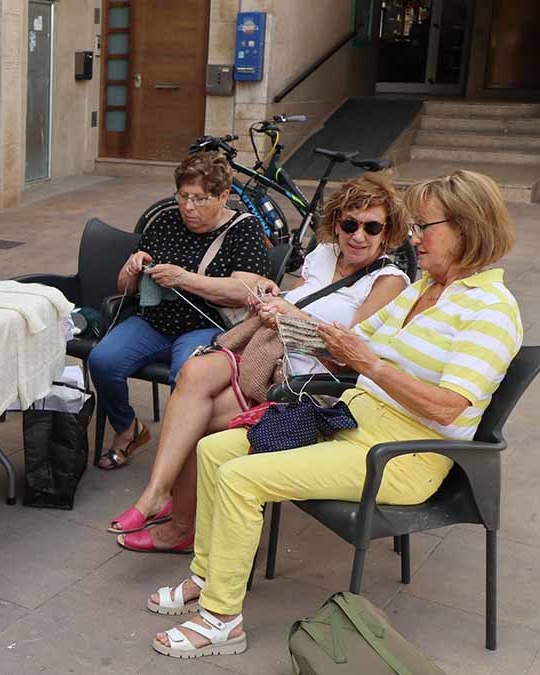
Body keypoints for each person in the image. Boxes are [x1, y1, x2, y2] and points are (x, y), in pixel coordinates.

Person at [147, 170, 521, 659]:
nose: (412, 238)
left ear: (467, 228)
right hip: (354, 420)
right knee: (215, 448)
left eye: (422, 227)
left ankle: (222, 619)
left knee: (241, 478)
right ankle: (207, 575)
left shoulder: (490, 310)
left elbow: (447, 406)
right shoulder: (423, 288)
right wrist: (299, 326)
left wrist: (367, 363)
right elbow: (355, 350)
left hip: (403, 456)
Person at [112, 173, 411, 552]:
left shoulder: (388, 282)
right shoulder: (323, 255)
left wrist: (290, 314)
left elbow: (346, 354)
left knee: (197, 420)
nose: (358, 236)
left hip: (309, 384)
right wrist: (275, 295)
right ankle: (157, 496)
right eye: (350, 224)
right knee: (193, 370)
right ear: (337, 223)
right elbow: (305, 299)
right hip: (269, 351)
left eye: (372, 227)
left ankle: (179, 524)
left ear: (387, 233)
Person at [87, 152, 271, 471]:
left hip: (209, 327)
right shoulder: (166, 221)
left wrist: (184, 278)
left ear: (224, 196)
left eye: (200, 199)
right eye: (183, 196)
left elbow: (242, 291)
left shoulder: (245, 229)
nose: (188, 207)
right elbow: (124, 288)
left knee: (184, 378)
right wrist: (132, 268)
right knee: (102, 360)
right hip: (155, 322)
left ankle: (178, 465)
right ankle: (129, 428)